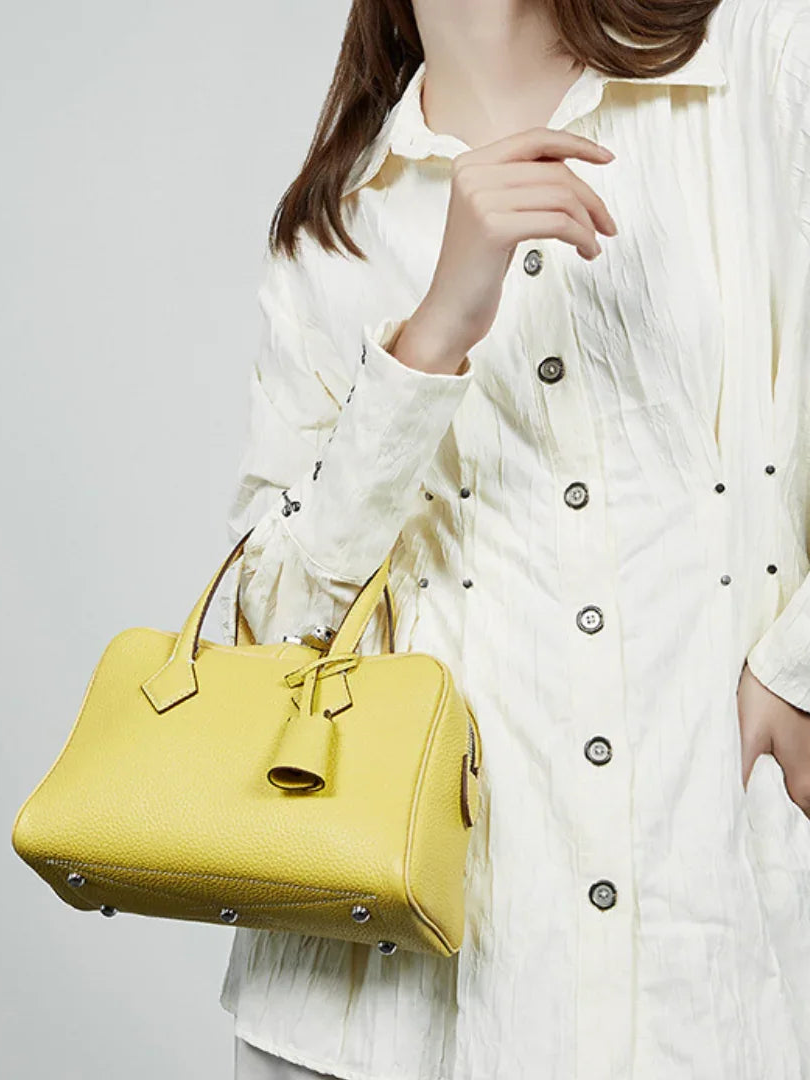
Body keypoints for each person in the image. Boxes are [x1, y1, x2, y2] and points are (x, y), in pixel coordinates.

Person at [215, 0, 810, 1077]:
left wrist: (802, 663)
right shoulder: (335, 233)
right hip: (407, 1013)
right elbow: (266, 628)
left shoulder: (767, 66)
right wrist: (432, 333)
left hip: (722, 961)